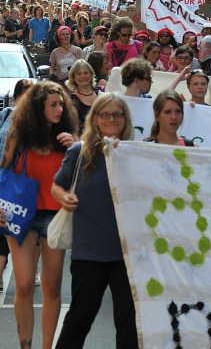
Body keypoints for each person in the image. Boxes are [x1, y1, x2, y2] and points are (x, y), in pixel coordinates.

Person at [0, 81, 78, 349]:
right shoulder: (20, 133)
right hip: (21, 215)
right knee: (25, 284)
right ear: (39, 107)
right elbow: (0, 170)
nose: (60, 109)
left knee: (51, 287)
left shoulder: (67, 137)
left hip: (55, 217)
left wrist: (77, 145)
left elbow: (87, 170)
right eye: (54, 104)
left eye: (61, 104)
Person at [52, 93, 138, 349]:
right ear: (96, 119)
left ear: (125, 119)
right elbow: (56, 186)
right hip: (88, 252)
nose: (112, 119)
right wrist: (64, 197)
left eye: (117, 114)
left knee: (128, 323)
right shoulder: (79, 151)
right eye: (106, 114)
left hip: (126, 255)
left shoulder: (135, 152)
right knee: (80, 318)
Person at [0, 80, 34, 294]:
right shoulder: (5, 114)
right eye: (22, 93)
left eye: (29, 93)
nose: (25, 97)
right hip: (0, 177)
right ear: (16, 96)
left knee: (25, 225)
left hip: (21, 180)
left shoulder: (35, 121)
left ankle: (32, 270)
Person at [66, 60, 100, 130]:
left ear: (91, 74)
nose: (83, 76)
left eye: (86, 73)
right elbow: (73, 128)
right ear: (73, 78)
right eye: (79, 74)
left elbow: (111, 108)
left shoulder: (101, 92)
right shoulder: (72, 101)